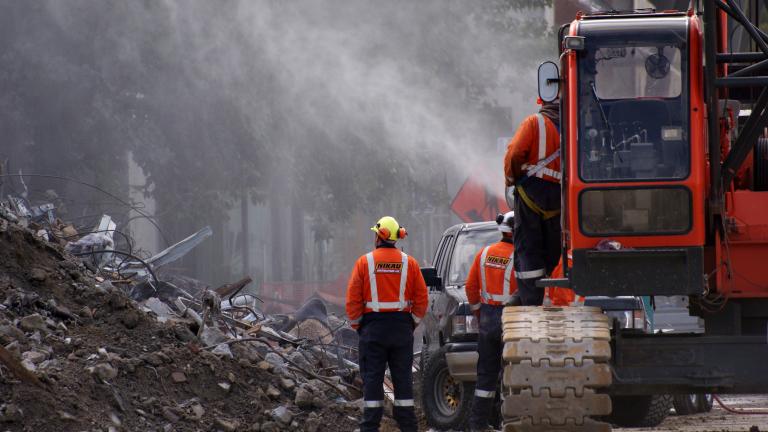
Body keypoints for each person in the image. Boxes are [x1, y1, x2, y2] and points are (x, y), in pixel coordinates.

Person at [346, 216, 428, 432]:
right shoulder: (409, 263)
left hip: (373, 330)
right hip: (401, 329)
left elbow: (353, 300)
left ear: (379, 236)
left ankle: (370, 426)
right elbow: (421, 299)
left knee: (372, 382)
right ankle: (408, 426)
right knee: (403, 382)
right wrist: (411, 324)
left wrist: (359, 327)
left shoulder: (365, 262)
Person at [504, 99, 561, 306]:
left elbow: (515, 153)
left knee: (528, 246)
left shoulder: (534, 122)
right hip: (561, 197)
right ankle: (553, 295)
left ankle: (530, 297)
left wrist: (511, 179)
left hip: (531, 193)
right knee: (555, 246)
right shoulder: (576, 124)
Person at [465, 211, 517, 432]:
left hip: (487, 320)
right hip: (513, 322)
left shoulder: (484, 254)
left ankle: (478, 425)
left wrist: (479, 313)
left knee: (485, 378)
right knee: (513, 376)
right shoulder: (522, 257)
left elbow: (470, 288)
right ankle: (511, 424)